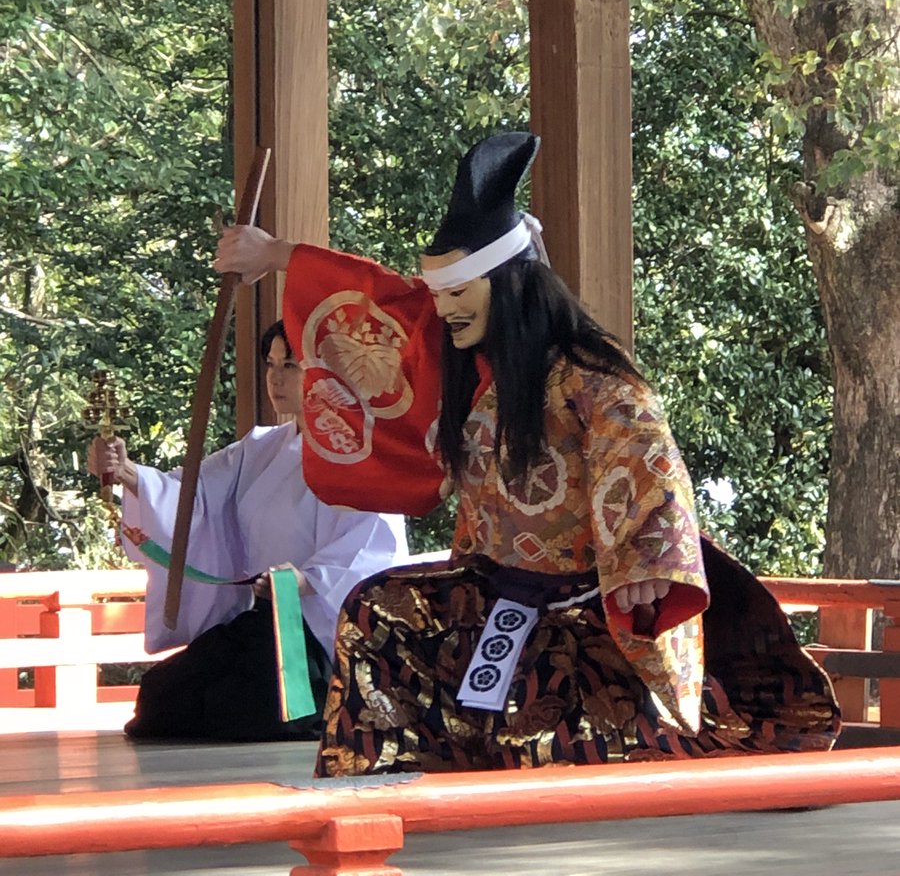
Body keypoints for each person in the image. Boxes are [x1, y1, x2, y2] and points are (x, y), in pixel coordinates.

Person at [214, 132, 839, 773]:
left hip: (588, 602)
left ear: (509, 285)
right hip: (490, 587)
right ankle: (380, 781)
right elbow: (384, 307)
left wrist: (648, 557)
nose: (443, 310)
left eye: (459, 293)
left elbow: (646, 456)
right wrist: (279, 254)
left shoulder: (593, 375)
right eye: (440, 295)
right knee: (376, 612)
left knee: (548, 706)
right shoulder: (470, 368)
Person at [88, 320, 408, 742]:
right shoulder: (259, 448)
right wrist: (129, 473)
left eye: (289, 366)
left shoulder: (361, 455)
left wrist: (305, 580)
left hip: (319, 630)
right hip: (262, 620)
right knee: (161, 699)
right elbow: (195, 497)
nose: (275, 378)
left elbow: (370, 549)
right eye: (271, 364)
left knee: (248, 707)